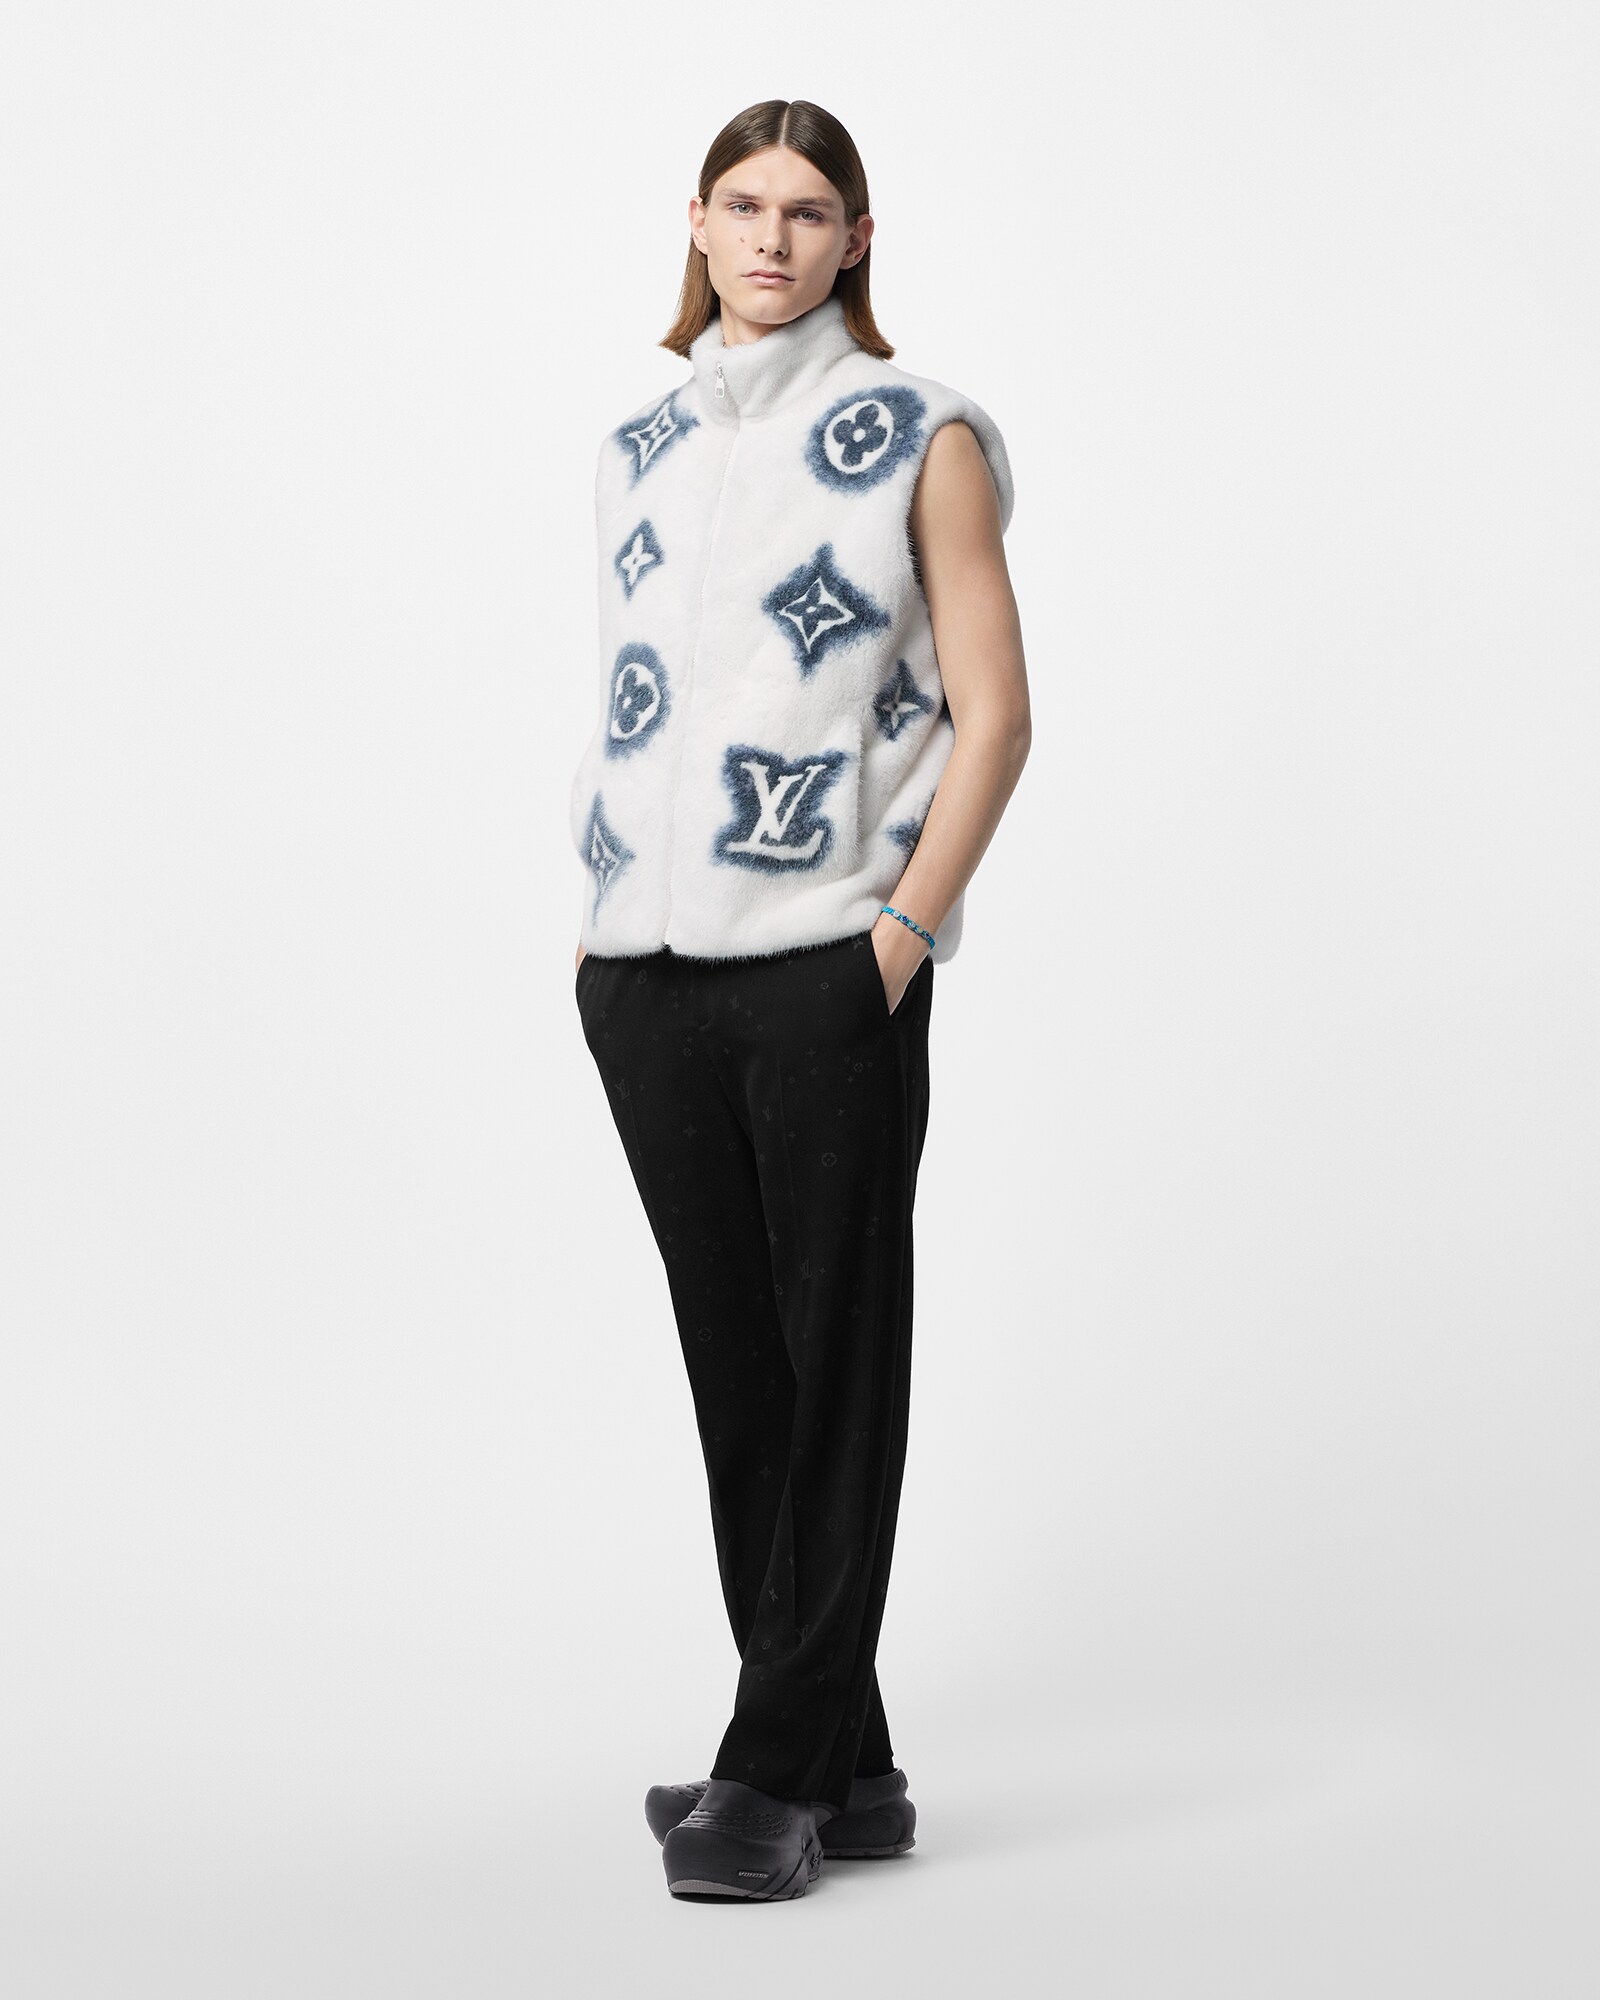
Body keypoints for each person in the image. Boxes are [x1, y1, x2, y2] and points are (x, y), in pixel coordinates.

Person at [567, 98, 1030, 1901]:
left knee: (837, 1370)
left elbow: (996, 714)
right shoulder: (640, 445)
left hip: (830, 967)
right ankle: (858, 1762)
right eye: (746, 204)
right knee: (738, 1372)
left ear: (856, 240)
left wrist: (898, 939)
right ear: (696, 222)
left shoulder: (925, 435)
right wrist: (597, 936)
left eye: (811, 210)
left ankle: (773, 1772)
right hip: (646, 976)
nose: (774, 237)